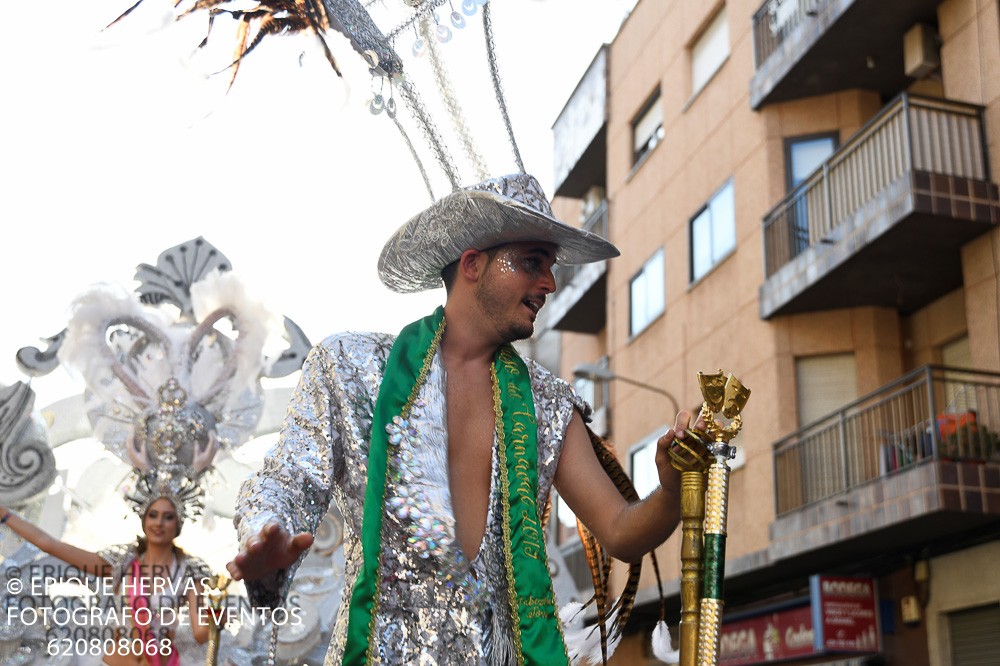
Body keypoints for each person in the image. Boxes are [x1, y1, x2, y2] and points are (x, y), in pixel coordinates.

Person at [228, 173, 700, 665]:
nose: (550, 284)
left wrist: (672, 490)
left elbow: (623, 533)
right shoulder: (351, 369)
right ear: (473, 264)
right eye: (532, 262)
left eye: (551, 266)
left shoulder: (548, 403)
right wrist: (266, 532)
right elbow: (287, 481)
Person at [0, 496, 214, 666]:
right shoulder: (121, 563)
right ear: (144, 520)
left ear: (178, 523)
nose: (159, 523)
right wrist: (5, 515)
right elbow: (49, 544)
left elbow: (200, 632)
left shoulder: (189, 571)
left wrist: (215, 623)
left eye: (168, 517)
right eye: (153, 515)